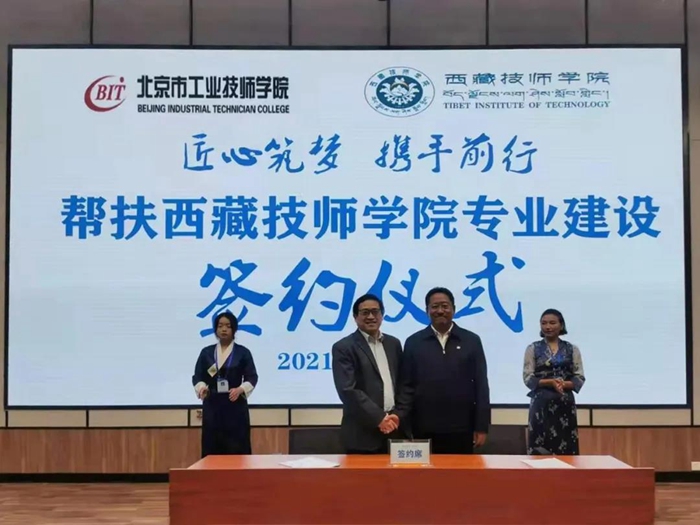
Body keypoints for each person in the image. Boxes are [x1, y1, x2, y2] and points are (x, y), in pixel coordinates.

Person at [395, 287, 490, 454]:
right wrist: (405, 426)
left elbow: (481, 385)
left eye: (445, 306)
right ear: (427, 310)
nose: (440, 311)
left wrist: (481, 426)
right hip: (423, 427)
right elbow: (406, 387)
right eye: (435, 306)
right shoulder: (413, 342)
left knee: (460, 471)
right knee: (425, 471)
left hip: (462, 427)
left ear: (454, 309)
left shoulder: (471, 340)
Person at [332, 293, 405, 454]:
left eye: (375, 312)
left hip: (394, 428)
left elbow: (402, 383)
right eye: (365, 312)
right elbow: (347, 390)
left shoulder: (393, 344)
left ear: (382, 315)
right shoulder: (344, 347)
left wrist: (398, 414)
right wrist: (379, 418)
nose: (371, 317)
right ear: (355, 317)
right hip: (361, 434)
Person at [192, 312, 259, 457]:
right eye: (220, 326)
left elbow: (252, 377)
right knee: (212, 446)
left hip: (235, 404)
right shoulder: (207, 352)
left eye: (228, 326)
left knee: (237, 446)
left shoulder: (243, 352)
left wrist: (240, 389)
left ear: (234, 329)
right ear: (215, 329)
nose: (224, 329)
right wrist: (202, 388)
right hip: (212, 405)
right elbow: (198, 376)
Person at [523, 308, 585, 455]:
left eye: (552, 323)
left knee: (566, 448)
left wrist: (563, 384)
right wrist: (550, 382)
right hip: (541, 404)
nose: (548, 327)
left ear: (561, 325)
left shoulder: (572, 349)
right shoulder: (532, 348)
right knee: (539, 448)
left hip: (564, 404)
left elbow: (579, 377)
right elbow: (528, 378)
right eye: (544, 323)